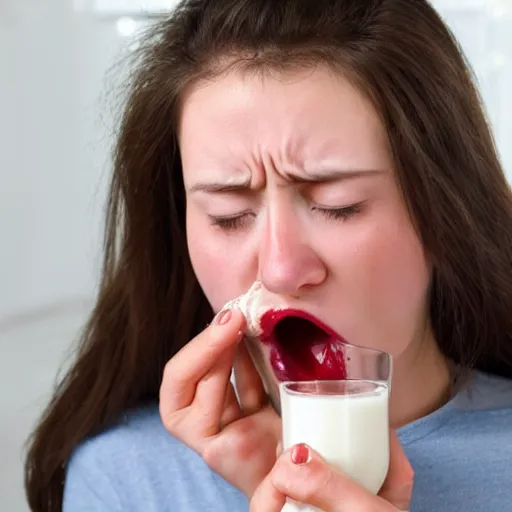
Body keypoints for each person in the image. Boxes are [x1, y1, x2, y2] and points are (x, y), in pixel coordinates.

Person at [24, 0, 512, 510]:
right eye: (228, 215)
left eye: (337, 206)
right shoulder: (125, 481)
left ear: (448, 208)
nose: (280, 269)